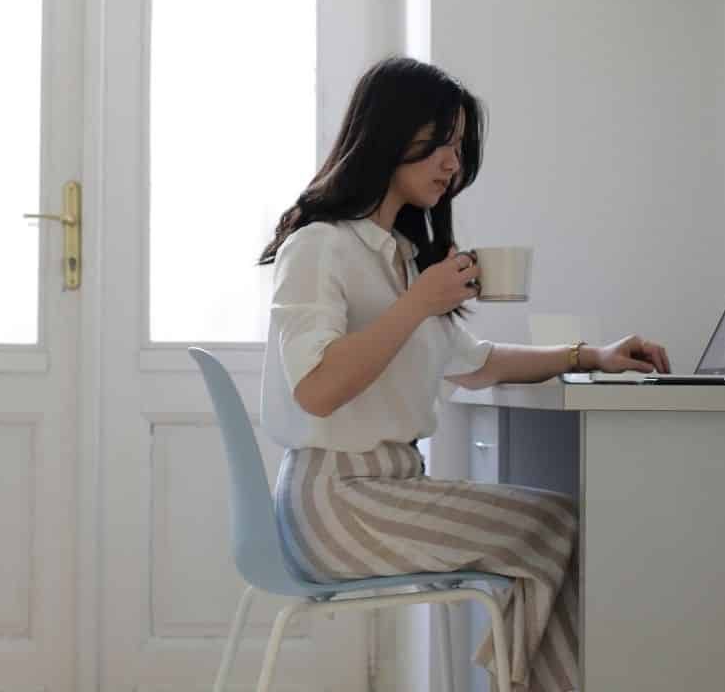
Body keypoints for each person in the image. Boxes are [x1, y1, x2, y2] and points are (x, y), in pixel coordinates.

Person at [258, 55, 671, 692]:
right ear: (390, 134)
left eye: (459, 146)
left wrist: (590, 355)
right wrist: (418, 302)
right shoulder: (320, 245)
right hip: (338, 503)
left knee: (554, 528)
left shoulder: (398, 254)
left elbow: (475, 365)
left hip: (381, 493)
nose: (454, 163)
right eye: (440, 143)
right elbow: (316, 389)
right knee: (553, 526)